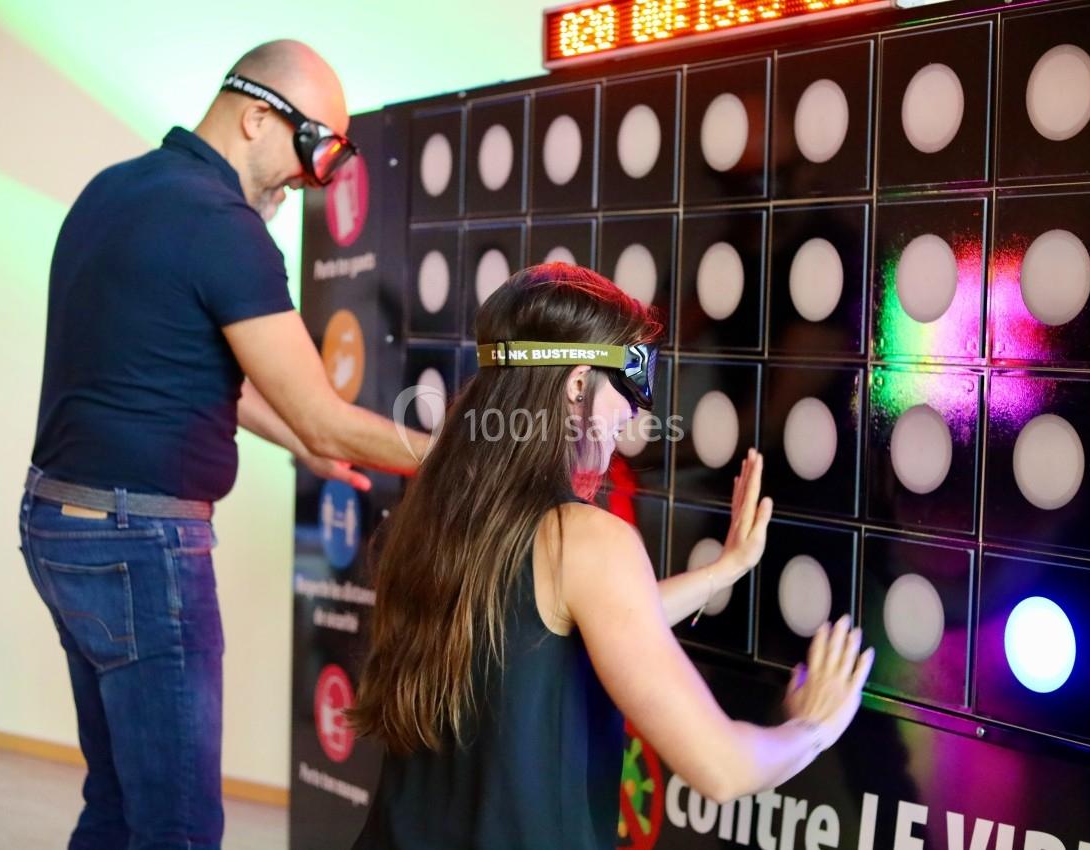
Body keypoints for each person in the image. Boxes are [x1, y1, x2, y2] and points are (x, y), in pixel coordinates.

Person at [17, 40, 429, 850]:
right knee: (178, 826)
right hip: (142, 547)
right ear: (256, 117)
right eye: (315, 151)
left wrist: (302, 449)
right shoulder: (221, 225)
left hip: (60, 525)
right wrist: (466, 456)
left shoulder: (116, 189)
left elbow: (185, 372)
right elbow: (322, 414)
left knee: (118, 803)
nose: (312, 180)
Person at [348, 263, 874, 849]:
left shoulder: (438, 518)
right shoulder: (585, 539)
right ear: (577, 384)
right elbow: (723, 769)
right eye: (627, 386)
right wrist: (816, 725)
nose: (632, 414)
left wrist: (722, 571)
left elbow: (561, 627)